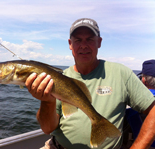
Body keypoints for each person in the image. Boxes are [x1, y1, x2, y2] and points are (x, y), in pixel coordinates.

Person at [25, 18, 155, 149]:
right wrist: (47, 101)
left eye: (90, 39)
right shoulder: (59, 78)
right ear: (70, 44)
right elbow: (47, 129)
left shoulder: (121, 73)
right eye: (78, 40)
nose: (83, 45)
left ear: (99, 42)